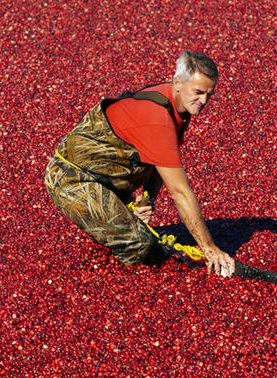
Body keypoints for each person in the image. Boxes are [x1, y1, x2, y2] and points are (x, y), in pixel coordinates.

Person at [44, 50, 236, 278]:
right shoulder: (157, 118)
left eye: (209, 94)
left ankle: (114, 226)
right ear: (177, 83)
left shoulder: (176, 105)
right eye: (198, 92)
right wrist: (209, 248)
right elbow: (180, 192)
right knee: (140, 245)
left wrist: (147, 200)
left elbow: (157, 160)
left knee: (138, 234)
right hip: (73, 179)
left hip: (108, 178)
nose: (204, 101)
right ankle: (116, 279)